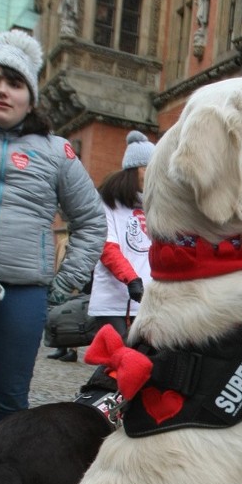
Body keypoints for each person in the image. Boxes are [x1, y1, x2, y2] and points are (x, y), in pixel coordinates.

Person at [0, 30, 105, 484]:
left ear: (30, 95)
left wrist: (62, 285)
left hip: (21, 295)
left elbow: (91, 220)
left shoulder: (57, 151)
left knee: (10, 399)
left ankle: (6, 482)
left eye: (14, 82)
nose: (2, 89)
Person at [87, 130, 156, 339]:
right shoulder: (107, 203)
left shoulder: (157, 204)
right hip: (115, 302)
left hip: (150, 301)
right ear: (133, 170)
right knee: (117, 364)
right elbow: (107, 247)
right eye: (147, 167)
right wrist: (132, 280)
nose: (153, 174)